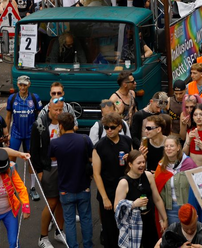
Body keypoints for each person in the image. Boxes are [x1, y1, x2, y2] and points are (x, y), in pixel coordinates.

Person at [49, 112, 93, 248]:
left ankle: (72, 246)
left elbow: (53, 159)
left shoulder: (55, 143)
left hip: (65, 189)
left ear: (60, 126)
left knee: (69, 221)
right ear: (74, 124)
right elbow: (92, 158)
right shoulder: (84, 139)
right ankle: (88, 245)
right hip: (83, 186)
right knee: (86, 219)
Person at [93, 112, 133, 248]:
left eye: (112, 127)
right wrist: (104, 198)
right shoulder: (99, 146)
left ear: (120, 127)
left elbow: (134, 167)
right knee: (110, 231)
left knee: (127, 228)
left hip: (126, 191)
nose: (108, 130)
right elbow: (96, 174)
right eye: (106, 127)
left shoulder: (127, 142)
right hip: (108, 192)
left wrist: (130, 160)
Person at [114, 150, 168, 248]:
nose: (142, 165)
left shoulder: (148, 176)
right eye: (139, 163)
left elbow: (157, 199)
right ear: (130, 164)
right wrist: (133, 204)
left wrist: (165, 219)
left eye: (143, 162)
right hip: (133, 223)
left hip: (149, 220)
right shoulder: (124, 183)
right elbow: (116, 208)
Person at [30, 99, 65, 248]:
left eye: (60, 110)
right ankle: (43, 237)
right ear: (49, 108)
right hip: (48, 168)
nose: (58, 113)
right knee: (51, 202)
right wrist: (38, 171)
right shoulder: (39, 124)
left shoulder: (65, 122)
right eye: (55, 110)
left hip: (63, 166)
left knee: (62, 201)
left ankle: (59, 231)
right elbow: (34, 150)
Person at [154, 136, 196, 225]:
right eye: (166, 146)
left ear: (178, 147)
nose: (168, 148)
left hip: (187, 208)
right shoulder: (161, 166)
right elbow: (157, 194)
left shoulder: (189, 164)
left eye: (172, 146)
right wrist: (162, 218)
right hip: (170, 210)